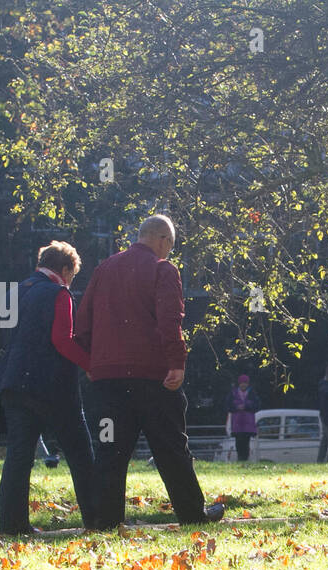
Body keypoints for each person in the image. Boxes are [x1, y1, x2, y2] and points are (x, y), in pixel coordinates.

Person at [74, 214, 225, 527]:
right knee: (171, 449)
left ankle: (105, 521)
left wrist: (91, 364)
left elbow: (83, 323)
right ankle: (192, 515)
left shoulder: (103, 270)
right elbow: (170, 320)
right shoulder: (163, 269)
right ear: (164, 241)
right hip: (152, 378)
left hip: (108, 382)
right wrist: (177, 362)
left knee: (109, 451)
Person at [0, 240, 98, 534]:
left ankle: (12, 525)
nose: (71, 281)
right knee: (80, 453)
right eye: (72, 275)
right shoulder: (59, 294)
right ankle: (96, 518)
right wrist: (90, 365)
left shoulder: (18, 291)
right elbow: (62, 340)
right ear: (65, 270)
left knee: (18, 456)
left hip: (13, 382)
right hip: (51, 387)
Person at [225, 374, 260, 462]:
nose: (243, 385)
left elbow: (257, 405)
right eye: (241, 383)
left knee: (246, 442)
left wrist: (246, 406)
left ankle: (245, 459)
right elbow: (227, 405)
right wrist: (236, 407)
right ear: (239, 384)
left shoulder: (252, 393)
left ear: (247, 384)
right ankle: (240, 458)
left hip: (248, 423)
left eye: (245, 383)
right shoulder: (233, 393)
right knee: (238, 442)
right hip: (237, 422)